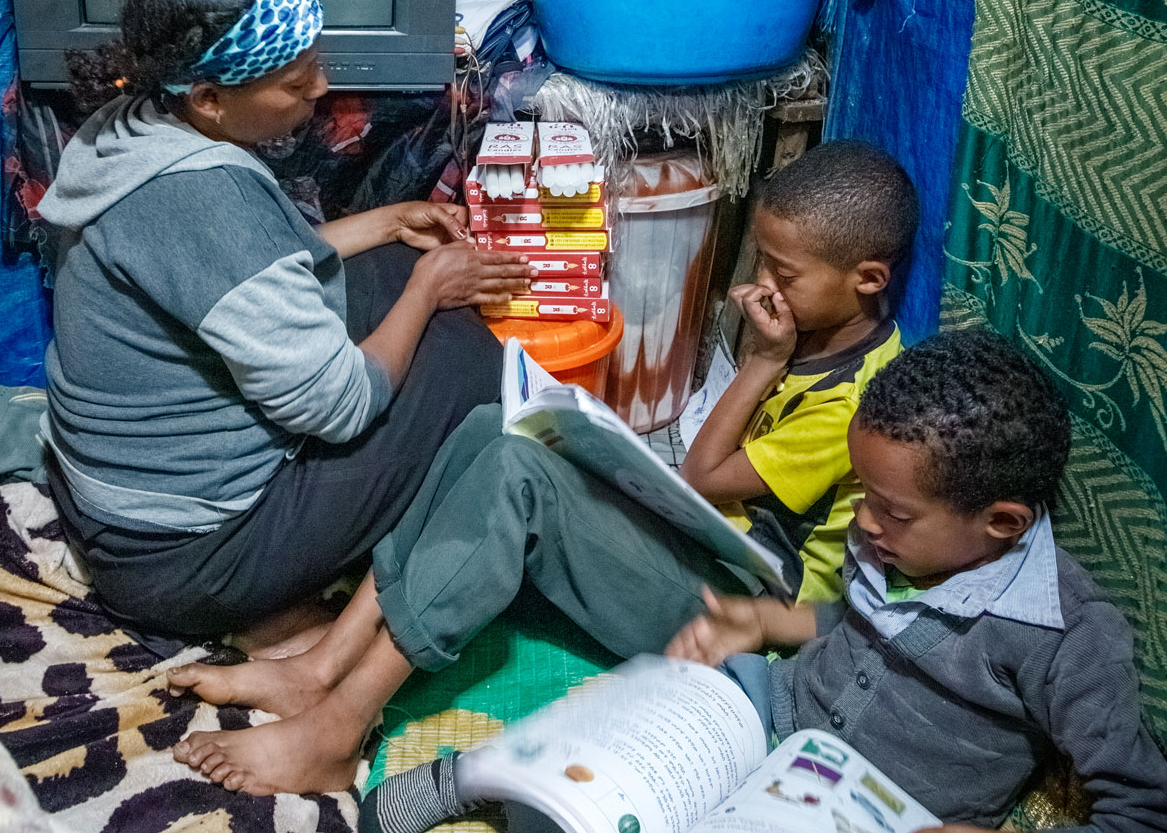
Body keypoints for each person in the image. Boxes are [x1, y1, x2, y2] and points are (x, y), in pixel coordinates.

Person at [322, 330, 1167, 833]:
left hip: (854, 825)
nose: (866, 525)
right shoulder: (918, 541)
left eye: (891, 512)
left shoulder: (1071, 641)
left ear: (1004, 524)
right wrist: (768, 625)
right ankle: (494, 790)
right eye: (863, 495)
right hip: (779, 706)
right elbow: (862, 626)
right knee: (642, 713)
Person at [168, 140, 916, 792]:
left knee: (521, 481)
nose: (761, 288)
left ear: (868, 279)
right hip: (711, 548)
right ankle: (323, 663)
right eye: (761, 264)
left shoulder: (860, 402)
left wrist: (760, 362)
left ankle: (340, 727)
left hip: (735, 619)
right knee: (494, 426)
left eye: (784, 275)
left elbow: (703, 476)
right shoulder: (812, 334)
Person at [37, 0, 529, 646]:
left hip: (118, 509)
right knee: (469, 370)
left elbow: (239, 276)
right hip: (185, 558)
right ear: (209, 97)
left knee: (389, 270)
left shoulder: (135, 122)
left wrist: (389, 222)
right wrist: (428, 288)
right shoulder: (206, 196)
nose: (322, 88)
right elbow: (343, 406)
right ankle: (299, 620)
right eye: (297, 83)